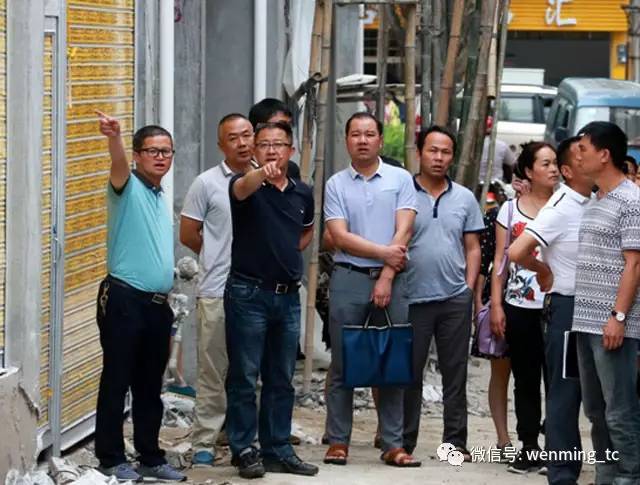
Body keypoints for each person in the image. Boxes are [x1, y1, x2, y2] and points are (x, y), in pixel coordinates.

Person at [323, 112, 419, 467]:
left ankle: (393, 443)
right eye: (355, 134)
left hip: (393, 279)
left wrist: (386, 274)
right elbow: (339, 236)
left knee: (392, 358)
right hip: (348, 277)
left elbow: (404, 229)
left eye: (369, 134)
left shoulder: (400, 178)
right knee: (343, 362)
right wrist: (384, 254)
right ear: (346, 140)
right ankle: (338, 440)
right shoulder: (335, 184)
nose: (362, 140)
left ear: (380, 139)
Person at [94, 112, 186, 482]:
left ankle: (150, 456)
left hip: (156, 306)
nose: (161, 157)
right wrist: (114, 137)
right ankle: (111, 458)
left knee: (150, 386)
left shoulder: (158, 193)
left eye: (166, 151)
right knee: (117, 380)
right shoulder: (126, 184)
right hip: (124, 301)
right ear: (137, 155)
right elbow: (116, 163)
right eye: (152, 151)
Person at [225, 121, 317, 479]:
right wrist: (260, 174)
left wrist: (288, 257)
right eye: (264, 144)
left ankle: (278, 447)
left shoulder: (302, 193)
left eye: (279, 144)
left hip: (287, 296)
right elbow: (244, 186)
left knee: (281, 377)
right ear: (255, 151)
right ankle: (243, 449)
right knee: (245, 376)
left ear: (291, 150)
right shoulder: (244, 186)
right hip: (248, 293)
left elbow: (306, 229)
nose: (272, 150)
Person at [508, 136, 591, 485]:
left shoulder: (599, 201)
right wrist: (544, 271)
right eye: (582, 154)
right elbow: (517, 251)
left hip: (598, 305)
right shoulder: (562, 207)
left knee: (598, 396)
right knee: (565, 388)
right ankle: (561, 470)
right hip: (567, 307)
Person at [402, 125, 484, 460]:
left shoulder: (464, 197)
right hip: (411, 298)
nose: (439, 158)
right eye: (432, 150)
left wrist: (467, 288)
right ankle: (402, 442)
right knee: (408, 373)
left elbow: (474, 247)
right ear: (419, 152)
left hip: (453, 298)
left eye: (446, 152)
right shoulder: (402, 193)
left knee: (455, 373)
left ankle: (455, 442)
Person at [179, 113, 254, 467]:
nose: (242, 143)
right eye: (233, 138)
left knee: (250, 370)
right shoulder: (206, 183)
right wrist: (213, 254)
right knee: (212, 370)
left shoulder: (268, 180)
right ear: (221, 145)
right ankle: (205, 440)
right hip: (216, 289)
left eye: (246, 135)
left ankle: (244, 439)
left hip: (257, 293)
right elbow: (189, 233)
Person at [571, 121, 640, 484]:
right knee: (596, 410)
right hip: (586, 321)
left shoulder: (631, 200)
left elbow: (635, 263)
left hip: (614, 325)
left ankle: (630, 476)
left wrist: (619, 316)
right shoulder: (596, 200)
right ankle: (606, 475)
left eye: (583, 148)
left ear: (604, 154)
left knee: (620, 410)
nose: (576, 155)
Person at [490, 141, 559, 474]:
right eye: (545, 163)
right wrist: (496, 305)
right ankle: (529, 447)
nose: (553, 168)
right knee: (526, 379)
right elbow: (500, 261)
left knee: (558, 380)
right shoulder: (510, 209)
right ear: (529, 171)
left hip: (557, 304)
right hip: (519, 305)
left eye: (555, 162)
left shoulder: (567, 206)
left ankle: (558, 448)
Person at [248, 97, 301, 180]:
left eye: (288, 126)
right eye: (281, 125)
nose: (286, 131)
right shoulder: (243, 171)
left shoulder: (291, 169)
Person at [478, 116, 516, 187]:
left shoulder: (471, 145)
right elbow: (512, 164)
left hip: (476, 183)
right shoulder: (502, 145)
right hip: (496, 184)